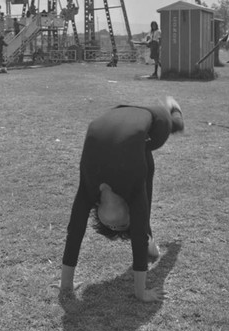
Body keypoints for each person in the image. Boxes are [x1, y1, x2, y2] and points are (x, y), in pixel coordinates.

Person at [60, 96, 184, 302]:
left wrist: (66, 286)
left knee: (176, 125)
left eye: (114, 227)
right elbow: (137, 230)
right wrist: (140, 291)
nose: (117, 227)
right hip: (118, 116)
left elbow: (75, 231)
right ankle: (151, 242)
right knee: (145, 172)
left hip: (153, 119)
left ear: (97, 208)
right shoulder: (118, 191)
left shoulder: (89, 190)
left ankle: (174, 107)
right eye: (123, 226)